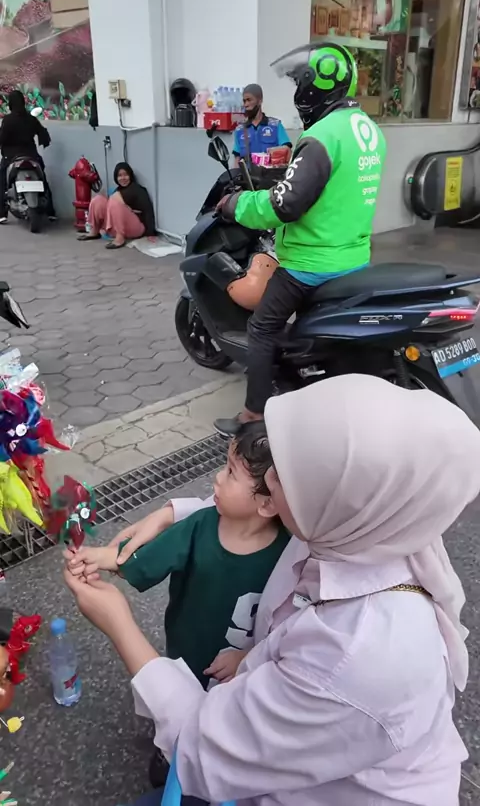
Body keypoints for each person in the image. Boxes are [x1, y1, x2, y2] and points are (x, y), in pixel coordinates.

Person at [65, 374, 480, 806]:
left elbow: (205, 751)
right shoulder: (368, 526)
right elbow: (250, 511)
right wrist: (171, 514)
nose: (270, 487)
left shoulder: (357, 658)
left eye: (281, 478)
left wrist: (119, 623)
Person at [66, 422, 289, 788]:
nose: (217, 478)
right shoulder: (202, 525)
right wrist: (104, 557)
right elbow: (151, 557)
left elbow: (289, 624)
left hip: (243, 661)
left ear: (267, 503)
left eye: (231, 473)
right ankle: (169, 746)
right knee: (179, 682)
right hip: (190, 640)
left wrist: (250, 655)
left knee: (228, 708)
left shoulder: (290, 550)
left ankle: (193, 751)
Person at [214, 43, 386, 436]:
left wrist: (238, 204)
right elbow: (337, 190)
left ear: (316, 85)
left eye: (299, 82)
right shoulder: (368, 130)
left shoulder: (322, 135)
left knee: (261, 328)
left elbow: (284, 204)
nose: (297, 91)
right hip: (354, 257)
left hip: (311, 263)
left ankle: (253, 416)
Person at [0, 90, 56, 223]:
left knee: (2, 182)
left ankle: (2, 214)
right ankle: (50, 212)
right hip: (31, 155)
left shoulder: (8, 120)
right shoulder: (31, 119)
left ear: (11, 104)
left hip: (11, 157)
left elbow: (2, 138)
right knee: (43, 180)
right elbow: (43, 134)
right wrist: (44, 142)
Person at [79, 162, 156, 249]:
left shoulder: (138, 189)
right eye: (119, 175)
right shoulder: (118, 190)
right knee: (98, 200)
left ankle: (120, 238)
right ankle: (94, 230)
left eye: (125, 175)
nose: (123, 178)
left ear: (130, 175)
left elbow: (148, 210)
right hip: (115, 227)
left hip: (136, 228)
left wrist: (151, 233)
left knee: (114, 201)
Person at [232, 84, 291, 166]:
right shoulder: (240, 130)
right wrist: (234, 173)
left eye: (249, 100)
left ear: (259, 101)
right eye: (244, 101)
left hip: (272, 173)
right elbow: (237, 161)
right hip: (248, 174)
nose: (246, 104)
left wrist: (273, 152)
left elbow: (287, 151)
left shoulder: (275, 126)